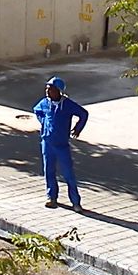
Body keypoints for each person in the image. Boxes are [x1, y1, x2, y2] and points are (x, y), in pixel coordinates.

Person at [32, 76, 88, 212]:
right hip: (47, 143)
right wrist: (44, 122)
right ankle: (51, 197)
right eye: (46, 88)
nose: (47, 91)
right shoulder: (45, 103)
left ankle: (76, 202)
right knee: (49, 171)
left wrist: (78, 128)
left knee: (68, 174)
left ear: (58, 91)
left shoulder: (67, 105)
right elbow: (36, 110)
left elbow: (83, 114)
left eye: (50, 89)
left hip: (62, 145)